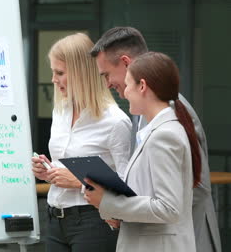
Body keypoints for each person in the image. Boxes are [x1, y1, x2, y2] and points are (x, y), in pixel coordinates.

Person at [90, 26, 221, 252]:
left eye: (106, 74)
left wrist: (115, 205)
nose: (108, 84)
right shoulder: (149, 114)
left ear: (126, 63)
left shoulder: (171, 117)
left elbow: (192, 191)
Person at [31, 33, 131, 252]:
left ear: (80, 73)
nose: (53, 80)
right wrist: (47, 170)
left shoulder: (115, 121)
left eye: (59, 73)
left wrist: (79, 181)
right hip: (55, 217)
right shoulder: (60, 112)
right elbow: (64, 165)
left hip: (94, 221)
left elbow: (128, 184)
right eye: (53, 72)